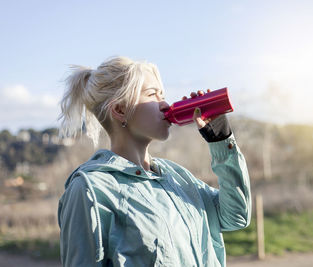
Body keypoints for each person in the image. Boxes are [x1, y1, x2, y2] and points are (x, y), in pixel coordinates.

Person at [57, 56, 251, 267]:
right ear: (120, 110)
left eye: (163, 95)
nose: (165, 104)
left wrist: (221, 139)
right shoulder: (90, 189)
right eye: (152, 94)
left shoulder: (177, 177)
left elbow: (237, 216)